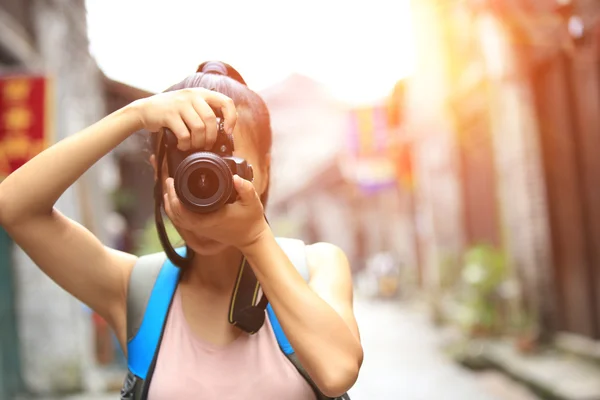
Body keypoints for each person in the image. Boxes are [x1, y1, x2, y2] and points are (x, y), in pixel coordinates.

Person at [0, 61, 363, 399]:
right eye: (185, 166)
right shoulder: (136, 289)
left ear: (264, 171)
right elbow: (14, 207)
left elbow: (337, 370)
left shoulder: (316, 266)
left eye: (222, 164)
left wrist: (253, 239)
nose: (203, 183)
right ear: (158, 172)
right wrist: (135, 114)